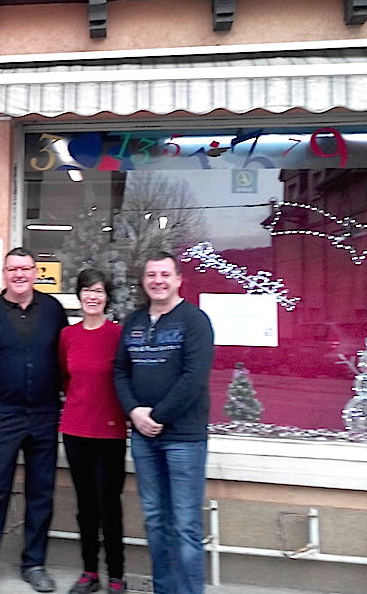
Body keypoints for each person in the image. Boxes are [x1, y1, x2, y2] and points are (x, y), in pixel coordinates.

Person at [0, 247, 70, 594]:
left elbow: (68, 360)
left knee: (41, 493)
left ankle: (34, 563)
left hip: (44, 414)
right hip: (2, 416)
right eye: (13, 269)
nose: (19, 274)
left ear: (36, 272)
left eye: (25, 269)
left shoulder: (53, 311)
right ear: (4, 274)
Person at [112, 252, 215, 594]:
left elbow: (194, 377)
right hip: (144, 438)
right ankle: (163, 589)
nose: (158, 280)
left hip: (184, 439)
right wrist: (133, 412)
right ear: (143, 281)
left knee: (185, 524)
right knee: (156, 521)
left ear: (178, 279)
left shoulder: (194, 320)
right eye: (151, 275)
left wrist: (156, 416)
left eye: (165, 274)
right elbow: (120, 371)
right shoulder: (134, 322)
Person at [59, 269, 128, 594]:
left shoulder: (118, 335)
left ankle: (116, 575)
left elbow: (126, 380)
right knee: (85, 506)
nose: (92, 296)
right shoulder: (68, 336)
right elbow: (65, 378)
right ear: (79, 295)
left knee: (109, 505)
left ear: (106, 297)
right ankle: (89, 572)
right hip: (75, 430)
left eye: (99, 291)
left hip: (110, 432)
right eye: (87, 290)